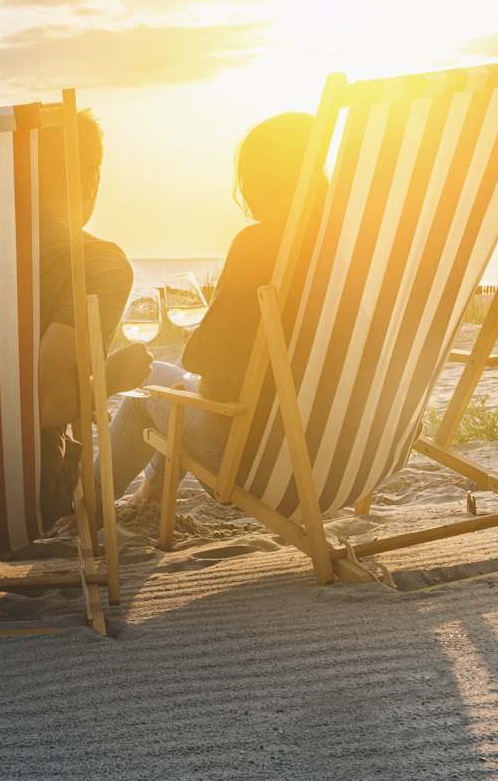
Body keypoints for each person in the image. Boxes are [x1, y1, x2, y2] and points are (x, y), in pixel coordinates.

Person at [104, 112, 322, 506]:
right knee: (179, 386)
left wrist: (201, 339)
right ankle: (152, 492)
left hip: (266, 465)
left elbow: (204, 362)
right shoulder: (359, 248)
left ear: (256, 182)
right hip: (344, 455)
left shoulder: (260, 245)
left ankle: (85, 505)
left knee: (150, 384)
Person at [37, 110, 152, 527]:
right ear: (92, 180)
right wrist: (111, 378)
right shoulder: (95, 263)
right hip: (23, 496)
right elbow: (50, 402)